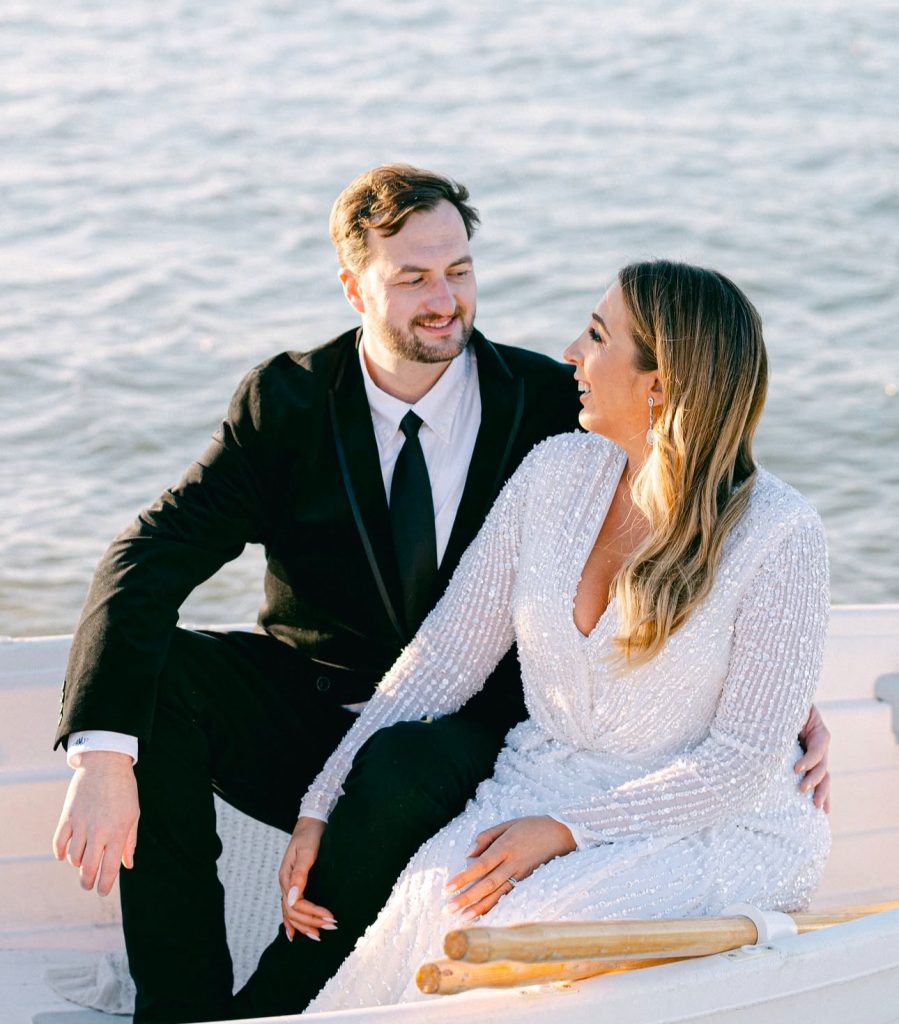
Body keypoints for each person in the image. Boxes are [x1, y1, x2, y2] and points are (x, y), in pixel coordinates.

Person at [50, 165, 829, 1023]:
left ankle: (285, 999)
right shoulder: (289, 402)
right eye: (413, 277)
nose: (444, 299)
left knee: (408, 779)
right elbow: (153, 555)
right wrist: (106, 756)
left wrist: (780, 693)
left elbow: (704, 498)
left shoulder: (552, 404)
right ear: (354, 287)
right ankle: (180, 1011)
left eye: (458, 271)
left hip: (477, 739)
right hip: (336, 710)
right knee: (155, 684)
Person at [267, 260, 831, 1013]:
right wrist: (322, 800)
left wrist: (568, 831)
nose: (570, 352)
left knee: (522, 930)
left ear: (659, 384)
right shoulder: (553, 473)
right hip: (541, 783)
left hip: (710, 823)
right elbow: (441, 660)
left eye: (596, 336)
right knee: (428, 904)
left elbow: (738, 762)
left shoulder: (779, 533)